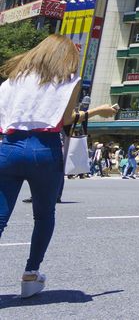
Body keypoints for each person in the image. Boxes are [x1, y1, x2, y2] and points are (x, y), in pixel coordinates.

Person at [0, 35, 118, 298]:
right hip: (44, 149)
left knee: (0, 217)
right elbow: (66, 120)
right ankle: (31, 274)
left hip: (8, 147)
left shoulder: (13, 80)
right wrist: (98, 111)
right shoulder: (69, 81)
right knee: (43, 215)